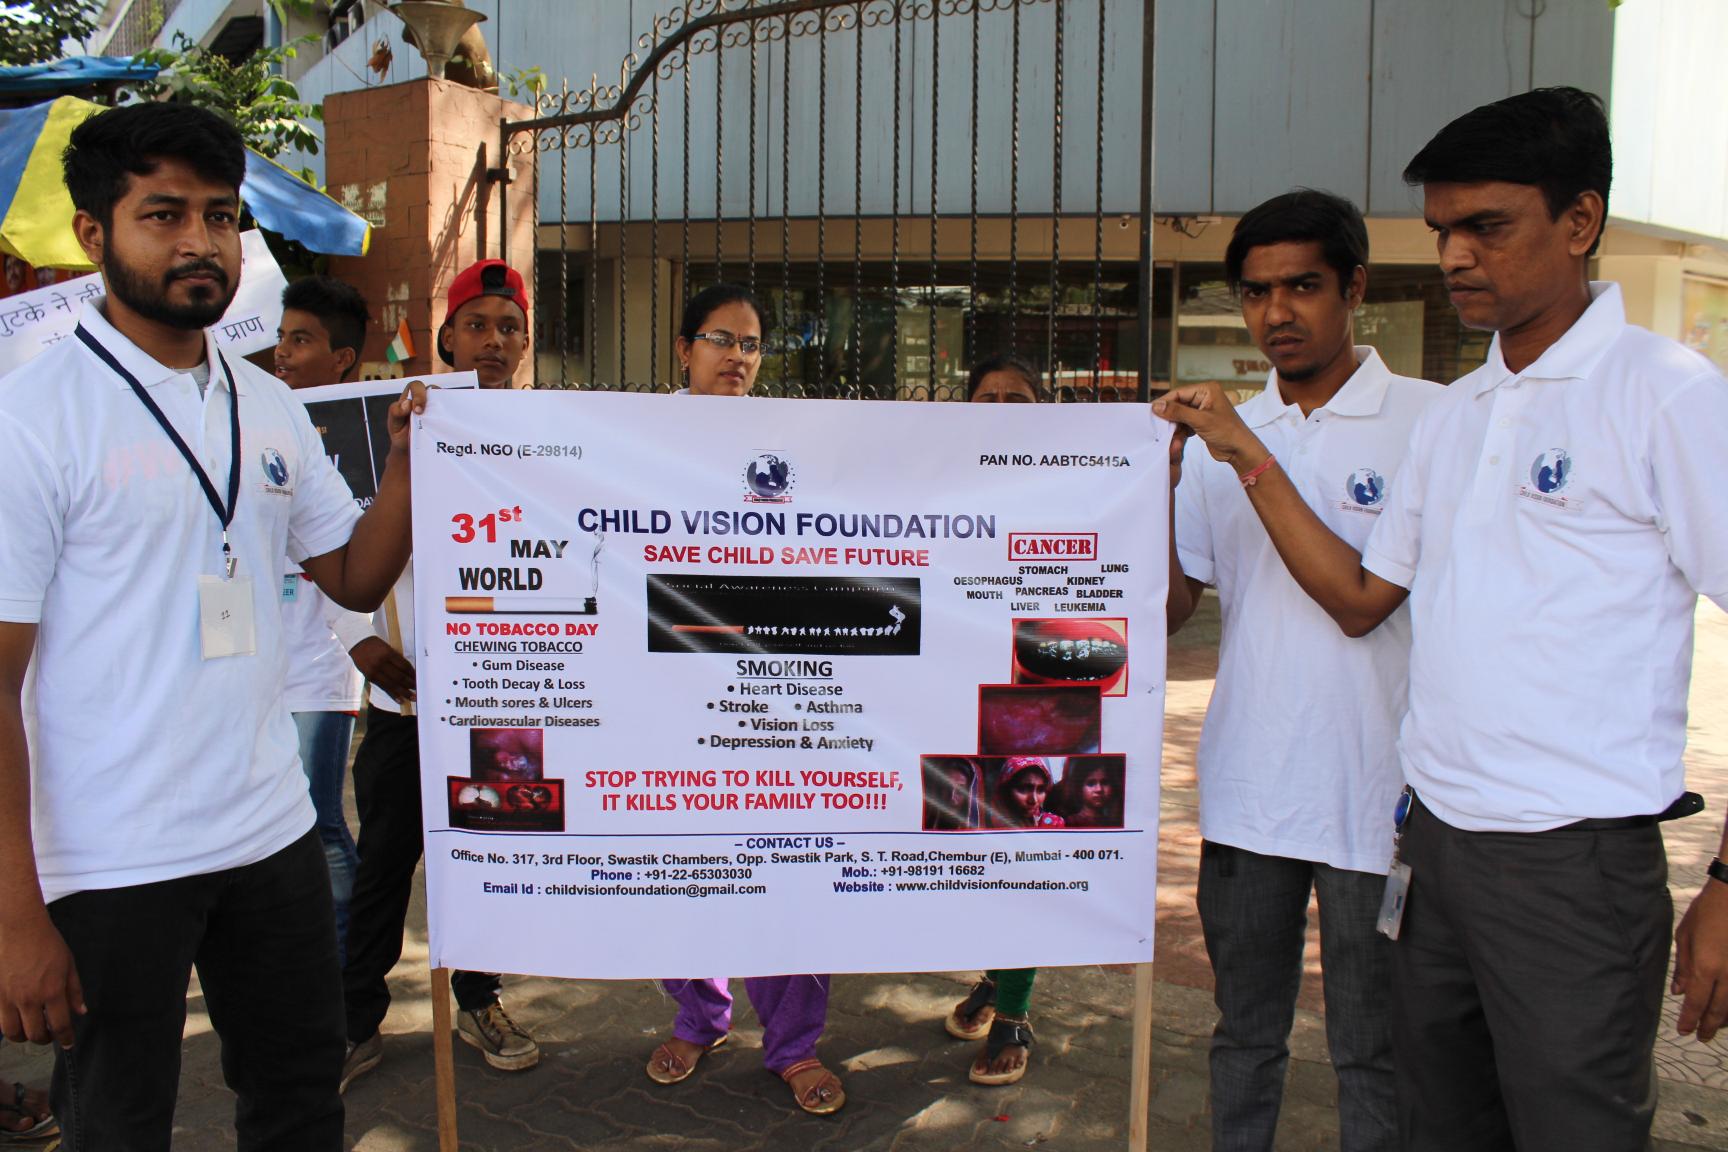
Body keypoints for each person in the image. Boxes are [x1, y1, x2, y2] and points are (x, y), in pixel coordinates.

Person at [1156, 89, 1728, 1151]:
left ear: (1581, 221)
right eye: (1443, 231)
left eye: (1487, 226)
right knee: (1435, 1116)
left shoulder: (1665, 394)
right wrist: (1203, 469)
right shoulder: (1460, 415)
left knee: (1567, 1123)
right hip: (1430, 844)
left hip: (1570, 859)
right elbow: (1359, 599)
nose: (1458, 256)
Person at [0, 102, 423, 1152]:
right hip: (109, 855)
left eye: (222, 216)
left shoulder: (269, 404)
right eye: (165, 214)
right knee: (119, 1124)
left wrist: (410, 465)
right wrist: (14, 915)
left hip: (269, 829)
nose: (201, 241)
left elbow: (352, 575)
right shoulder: (32, 418)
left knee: (300, 1101)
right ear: (94, 233)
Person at [1162, 189, 1439, 1152]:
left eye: (1302, 287)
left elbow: (1363, 604)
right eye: (1255, 292)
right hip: (1250, 792)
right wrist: (1153, 491)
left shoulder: (1431, 421)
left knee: (1374, 1050)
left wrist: (1242, 451)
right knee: (1244, 1037)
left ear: (1354, 287)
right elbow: (1170, 609)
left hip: (1383, 796)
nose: (1276, 312)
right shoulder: (1217, 445)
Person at [340, 259, 539, 1090]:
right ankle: (353, 1020)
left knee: (489, 864)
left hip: (502, 703)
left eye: (509, 327)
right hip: (408, 706)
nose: (493, 341)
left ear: (525, 344)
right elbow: (326, 543)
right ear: (447, 336)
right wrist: (356, 638)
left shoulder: (553, 437)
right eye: (477, 324)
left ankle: (481, 1001)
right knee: (384, 868)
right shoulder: (399, 422)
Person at [648, 284, 845, 1116]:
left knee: (787, 866)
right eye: (720, 338)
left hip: (774, 694)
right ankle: (699, 1016)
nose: (738, 355)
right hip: (669, 685)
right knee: (679, 861)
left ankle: (793, 1043)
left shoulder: (793, 441)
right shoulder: (633, 437)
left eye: (753, 343)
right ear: (683, 348)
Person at [943, 355, 1051, 1088]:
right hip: (950, 691)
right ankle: (996, 973)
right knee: (967, 849)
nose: (1003, 408)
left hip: (1029, 697)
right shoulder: (939, 482)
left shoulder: (1075, 485)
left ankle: (1013, 1010)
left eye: (1019, 399)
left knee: (1019, 853)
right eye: (987, 398)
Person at [273, 275, 378, 960]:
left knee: (318, 822)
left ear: (341, 358)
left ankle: (346, 967)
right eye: (282, 338)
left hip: (320, 665)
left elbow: (364, 564)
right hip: (255, 661)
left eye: (301, 340)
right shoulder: (254, 422)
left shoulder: (367, 433)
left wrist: (359, 638)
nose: (283, 352)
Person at [1053, 758, 1122, 829]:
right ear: (1079, 789)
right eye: (1091, 783)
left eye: (1104, 782)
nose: (1099, 789)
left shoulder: (1113, 823)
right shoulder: (1070, 823)